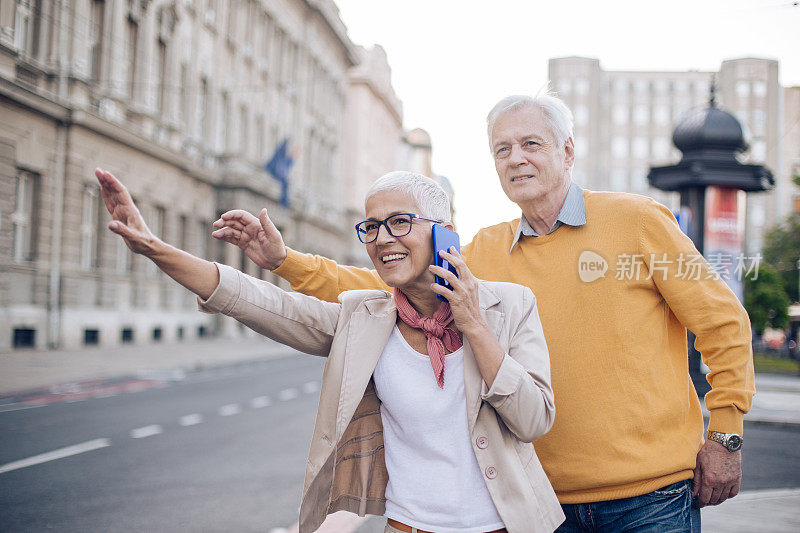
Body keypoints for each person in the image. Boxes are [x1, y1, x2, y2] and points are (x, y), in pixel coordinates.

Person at [212, 93, 755, 532]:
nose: (516, 158)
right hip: (543, 504)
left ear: (567, 151)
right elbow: (385, 286)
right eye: (502, 149)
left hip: (650, 498)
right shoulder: (486, 251)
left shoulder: (638, 221)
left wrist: (725, 435)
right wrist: (285, 261)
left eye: (531, 144)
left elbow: (722, 323)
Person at [95, 168, 565, 533]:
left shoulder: (510, 306)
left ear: (445, 231)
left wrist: (474, 326)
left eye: (399, 222)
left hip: (505, 524)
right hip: (407, 525)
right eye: (372, 227)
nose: (382, 239)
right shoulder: (363, 317)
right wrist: (156, 249)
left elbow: (535, 419)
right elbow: (255, 299)